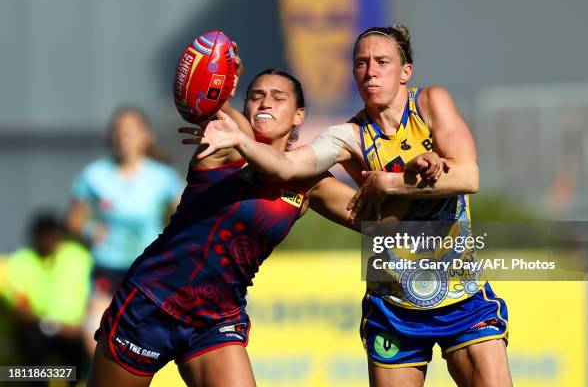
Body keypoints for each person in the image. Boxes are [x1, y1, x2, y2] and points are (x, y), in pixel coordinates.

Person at [197, 24, 511, 386]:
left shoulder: (429, 103)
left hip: (462, 297)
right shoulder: (347, 136)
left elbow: (468, 178)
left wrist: (390, 181)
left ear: (405, 71)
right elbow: (286, 165)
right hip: (393, 306)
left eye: (382, 62)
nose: (371, 71)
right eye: (361, 63)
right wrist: (229, 118)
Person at [87, 65, 409, 387]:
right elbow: (208, 102)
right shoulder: (228, 145)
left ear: (299, 115)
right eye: (256, 96)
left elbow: (384, 224)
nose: (265, 103)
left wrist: (416, 183)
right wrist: (222, 75)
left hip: (216, 320)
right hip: (153, 303)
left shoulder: (307, 183)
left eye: (277, 97)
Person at [67, 107, 183, 356]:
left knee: (144, 343)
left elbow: (186, 214)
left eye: (130, 132)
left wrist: (172, 242)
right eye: (118, 133)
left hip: (147, 269)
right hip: (107, 267)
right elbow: (73, 220)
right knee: (95, 337)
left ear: (146, 136)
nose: (123, 138)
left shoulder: (163, 177)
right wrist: (89, 230)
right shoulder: (93, 175)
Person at [2, 212, 92, 385]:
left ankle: (76, 379)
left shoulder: (78, 257)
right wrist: (52, 326)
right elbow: (19, 309)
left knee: (86, 343)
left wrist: (82, 325)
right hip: (38, 329)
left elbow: (94, 297)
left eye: (52, 235)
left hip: (76, 332)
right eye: (44, 236)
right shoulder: (22, 260)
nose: (48, 240)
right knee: (31, 340)